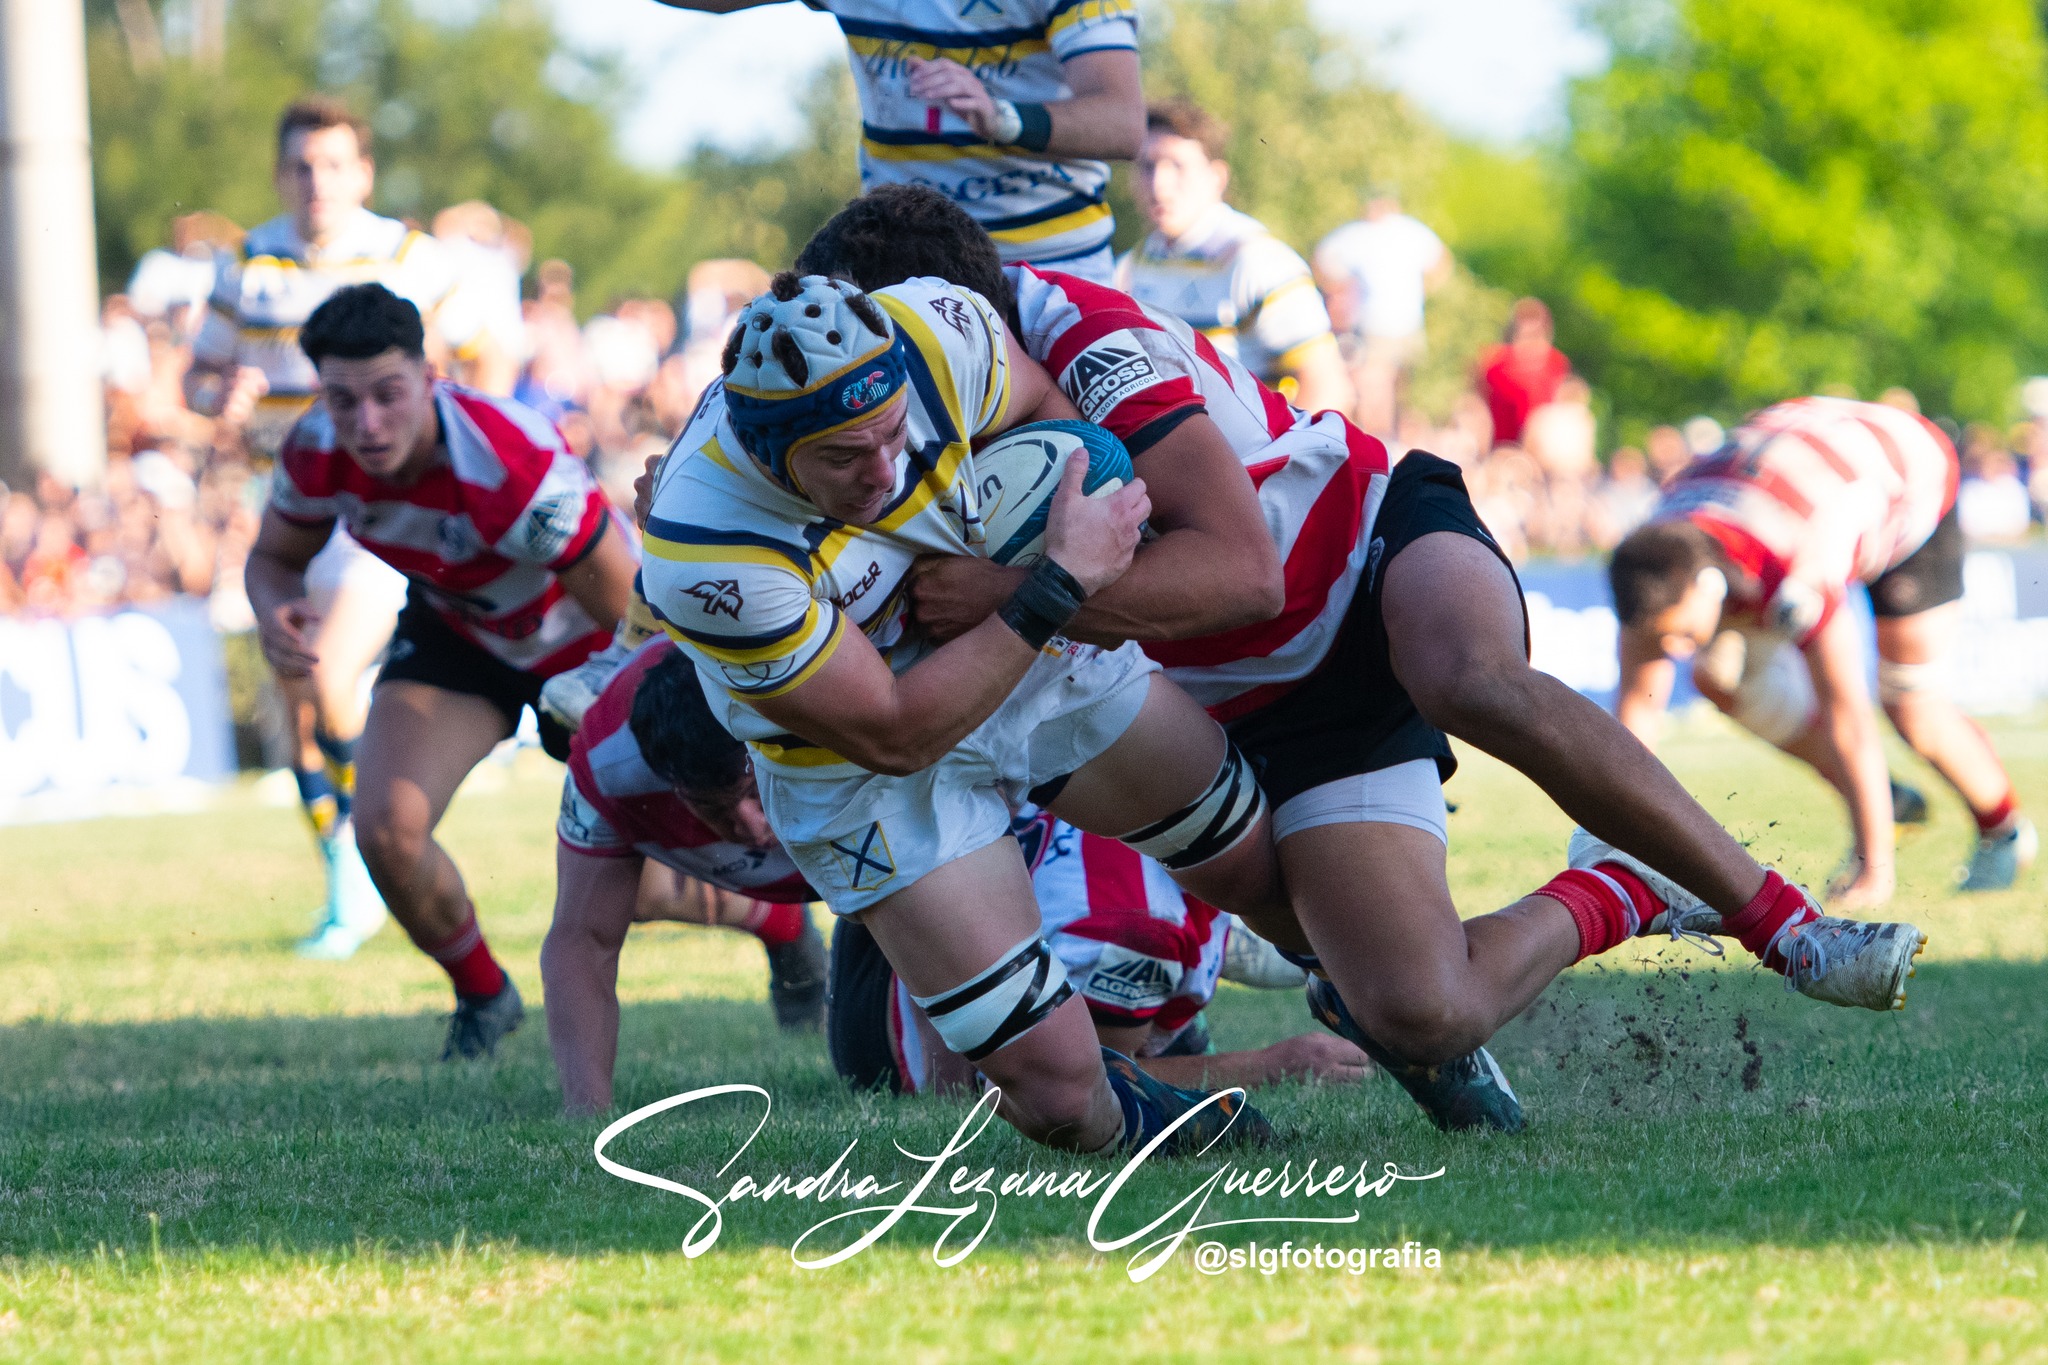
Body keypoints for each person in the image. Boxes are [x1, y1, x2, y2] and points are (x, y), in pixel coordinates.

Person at [783, 188, 1931, 1135]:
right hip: (1238, 698)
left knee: (1465, 678)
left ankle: (1787, 927)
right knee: (1423, 1010)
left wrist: (1019, 596)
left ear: (961, 321)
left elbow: (1242, 578)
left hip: (1369, 546)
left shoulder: (1089, 343)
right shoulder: (867, 398)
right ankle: (1629, 886)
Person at [546, 638, 1362, 1112]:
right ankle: (1192, 966)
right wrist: (589, 1117)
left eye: (758, 789)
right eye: (719, 809)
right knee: (912, 1064)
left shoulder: (854, 692)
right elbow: (581, 938)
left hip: (935, 842)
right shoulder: (610, 767)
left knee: (995, 1052)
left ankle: (1207, 947)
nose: (756, 826)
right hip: (879, 880)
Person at [245, 284, 639, 1059]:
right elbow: (273, 558)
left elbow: (629, 609)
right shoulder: (315, 447)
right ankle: (484, 995)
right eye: (342, 400)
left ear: (431, 378)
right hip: (459, 632)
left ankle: (779, 927)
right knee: (383, 829)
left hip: (585, 639)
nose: (366, 424)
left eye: (388, 395)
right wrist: (274, 608)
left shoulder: (510, 461)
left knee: (650, 871)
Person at [189, 97, 503, 959]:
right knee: (293, 704)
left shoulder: (410, 258)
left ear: (361, 173)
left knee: (326, 676)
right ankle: (345, 872)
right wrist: (223, 397)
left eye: (331, 165)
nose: (314, 182)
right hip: (288, 509)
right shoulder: (246, 263)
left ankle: (382, 839)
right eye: (299, 166)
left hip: (383, 512)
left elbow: (487, 353)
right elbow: (199, 378)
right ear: (279, 173)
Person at [1611, 396, 2034, 906]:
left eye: (1680, 634)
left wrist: (1872, 869)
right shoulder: (1654, 558)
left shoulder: (1799, 561)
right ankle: (1888, 800)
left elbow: (1847, 716)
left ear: (1708, 588)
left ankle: (2003, 830)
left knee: (1911, 707)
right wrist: (1612, 851)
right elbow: (1635, 718)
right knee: (1716, 677)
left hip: (1902, 475)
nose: (1673, 651)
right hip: (1795, 466)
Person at [652, 0, 1143, 282]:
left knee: (1113, 443)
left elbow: (1122, 121)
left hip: (1052, 266)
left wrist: (1001, 118)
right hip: (905, 265)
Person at [1115, 100, 1351, 413]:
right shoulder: (1137, 262)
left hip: (1252, 455)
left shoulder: (1258, 259)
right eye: (1147, 166)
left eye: (1177, 165)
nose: (1159, 184)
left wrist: (1279, 462)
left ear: (1217, 177)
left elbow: (1328, 387)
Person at [1312, 188, 1451, 437]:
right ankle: (1381, 439)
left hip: (1389, 321)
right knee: (1382, 383)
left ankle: (1382, 439)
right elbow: (1441, 262)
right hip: (1387, 321)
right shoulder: (1404, 232)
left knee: (1387, 385)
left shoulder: (1362, 234)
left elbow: (1323, 262)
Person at [1477, 298, 1571, 449]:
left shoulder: (1556, 362)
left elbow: (1558, 404)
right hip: (1502, 445)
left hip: (1540, 446)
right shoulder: (1495, 361)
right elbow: (1481, 400)